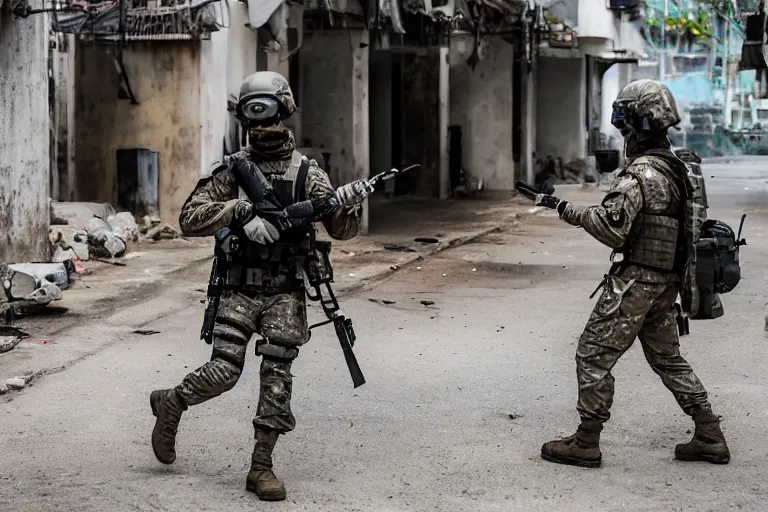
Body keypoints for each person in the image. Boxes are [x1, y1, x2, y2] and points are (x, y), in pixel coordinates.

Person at [148, 71, 372, 500]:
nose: (265, 129)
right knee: (225, 371)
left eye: (269, 117)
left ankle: (261, 466)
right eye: (257, 119)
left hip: (286, 291)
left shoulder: (308, 172)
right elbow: (188, 218)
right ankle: (173, 401)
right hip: (238, 287)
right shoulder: (234, 171)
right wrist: (238, 211)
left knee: (276, 377)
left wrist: (349, 201)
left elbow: (342, 232)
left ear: (285, 112)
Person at [531, 79, 729, 468]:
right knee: (668, 359)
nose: (622, 135)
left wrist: (567, 210)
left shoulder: (640, 174)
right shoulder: (680, 169)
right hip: (666, 283)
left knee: (592, 354)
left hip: (636, 283)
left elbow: (610, 228)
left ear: (635, 127)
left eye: (624, 127)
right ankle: (709, 433)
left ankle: (586, 440)